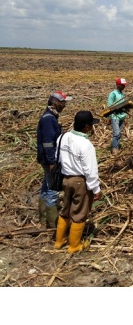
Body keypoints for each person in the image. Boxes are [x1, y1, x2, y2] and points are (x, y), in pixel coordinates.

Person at [53, 111, 101, 253]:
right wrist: (96, 189)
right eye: (91, 125)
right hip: (80, 181)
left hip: (65, 179)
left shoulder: (63, 137)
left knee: (65, 210)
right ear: (86, 126)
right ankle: (74, 245)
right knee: (79, 213)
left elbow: (57, 157)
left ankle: (59, 240)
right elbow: (90, 170)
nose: (92, 128)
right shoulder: (86, 145)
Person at [36, 90, 72, 228]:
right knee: (52, 191)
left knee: (46, 187)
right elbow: (48, 143)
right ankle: (52, 224)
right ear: (55, 103)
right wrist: (52, 161)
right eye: (63, 102)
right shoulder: (49, 119)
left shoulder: (51, 117)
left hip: (46, 159)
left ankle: (43, 219)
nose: (64, 105)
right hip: (49, 160)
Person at [107, 77, 128, 154]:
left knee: (120, 133)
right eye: (122, 85)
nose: (124, 87)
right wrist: (110, 117)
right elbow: (109, 106)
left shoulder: (122, 94)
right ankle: (114, 149)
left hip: (122, 116)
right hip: (115, 116)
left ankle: (117, 146)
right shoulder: (113, 94)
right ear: (117, 85)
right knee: (116, 133)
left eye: (124, 85)